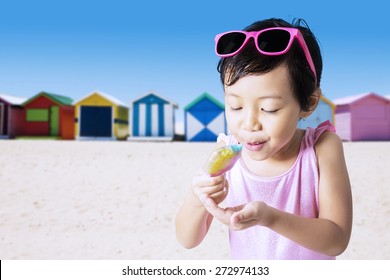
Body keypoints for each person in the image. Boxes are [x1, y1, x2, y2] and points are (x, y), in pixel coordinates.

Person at [176, 18, 352, 259]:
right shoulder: (226, 151)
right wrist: (199, 198)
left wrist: (271, 218)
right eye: (235, 106)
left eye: (269, 109)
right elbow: (187, 239)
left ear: (309, 103)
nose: (249, 124)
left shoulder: (322, 148)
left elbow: (337, 239)